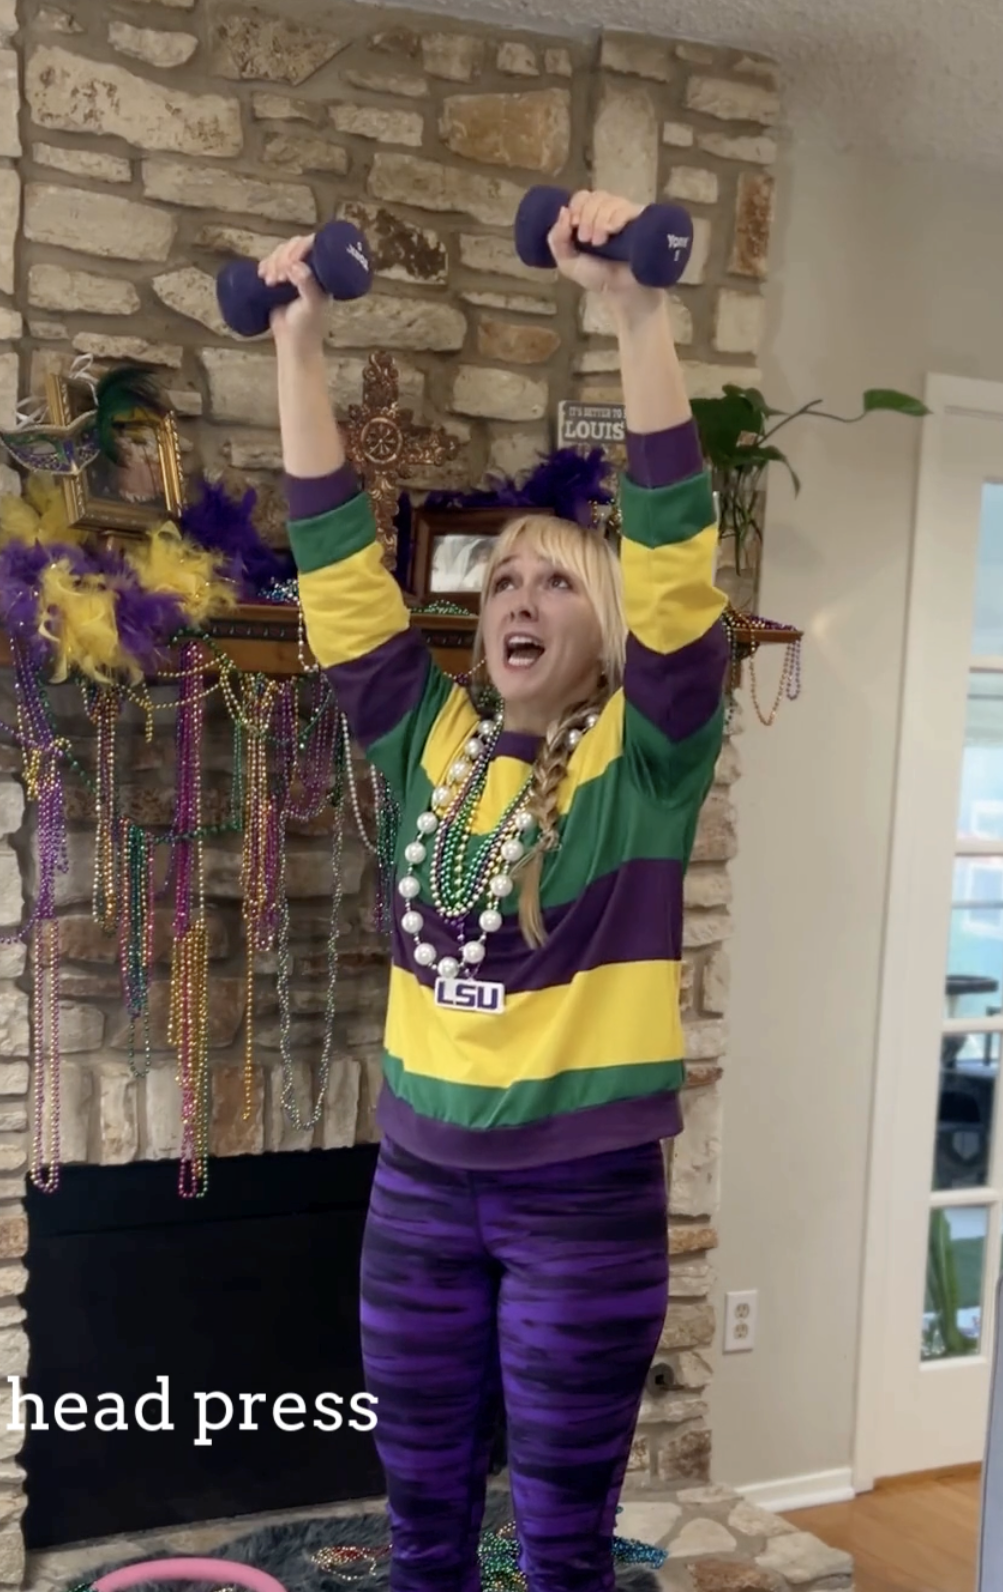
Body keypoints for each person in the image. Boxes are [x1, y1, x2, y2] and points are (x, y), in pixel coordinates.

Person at [262, 189, 730, 1592]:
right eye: (501, 579)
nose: (518, 595)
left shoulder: (648, 762)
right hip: (417, 1188)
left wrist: (636, 318)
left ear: (606, 630)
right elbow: (343, 580)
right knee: (421, 1538)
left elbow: (677, 562)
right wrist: (296, 347)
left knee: (567, 1547)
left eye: (557, 583)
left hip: (579, 1199)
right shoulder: (435, 744)